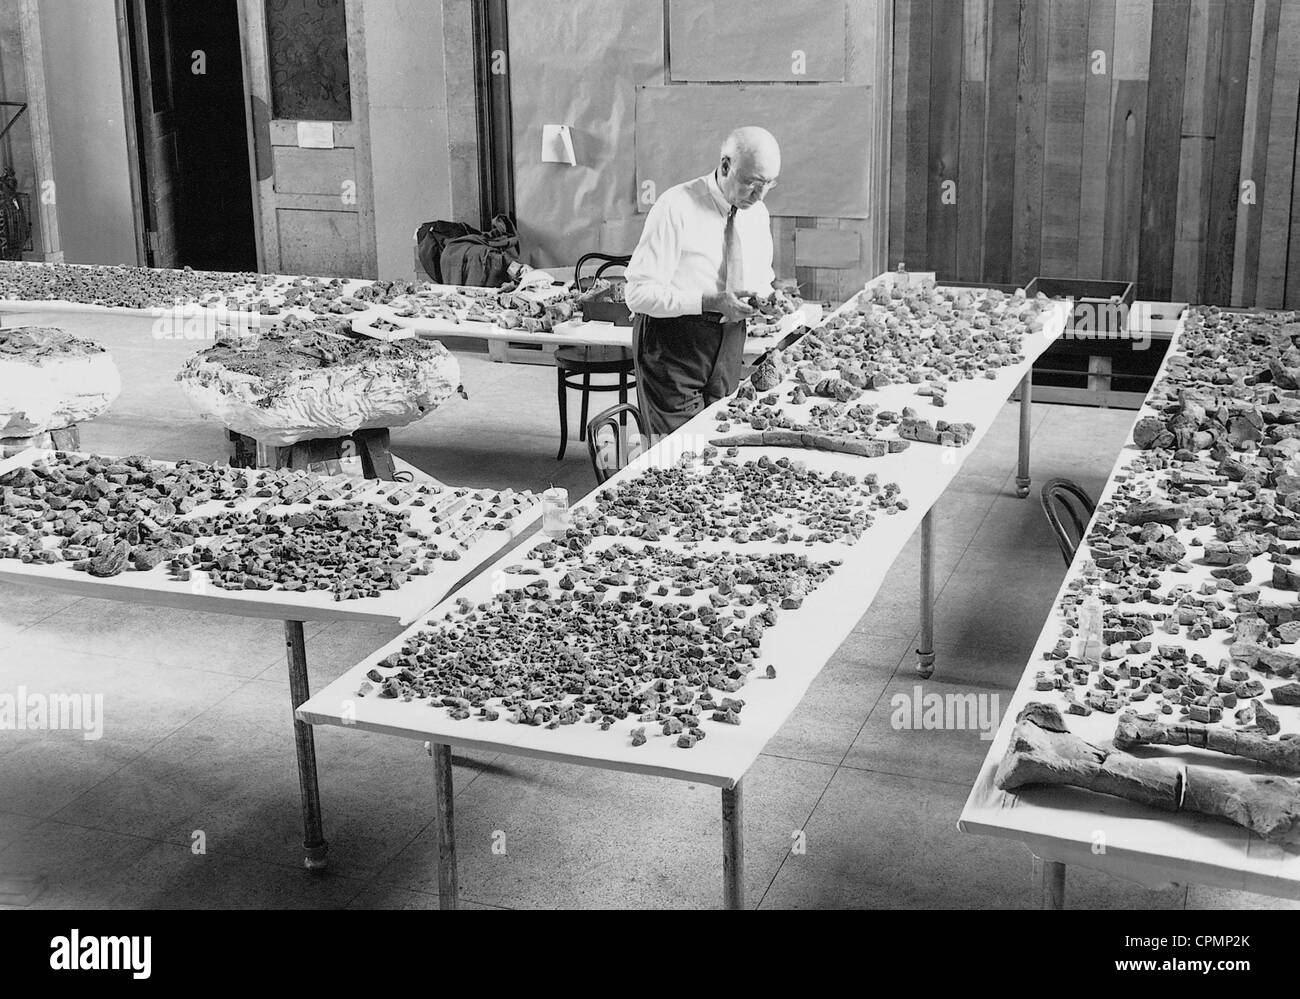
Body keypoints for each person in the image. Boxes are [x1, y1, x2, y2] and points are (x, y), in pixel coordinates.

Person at [625, 126, 780, 437]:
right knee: (679, 450)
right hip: (673, 342)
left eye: (767, 185)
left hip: (729, 340)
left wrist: (770, 301)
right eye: (751, 183)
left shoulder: (757, 212)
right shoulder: (676, 206)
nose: (759, 195)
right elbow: (637, 294)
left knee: (718, 437)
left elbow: (763, 280)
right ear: (725, 166)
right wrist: (709, 301)